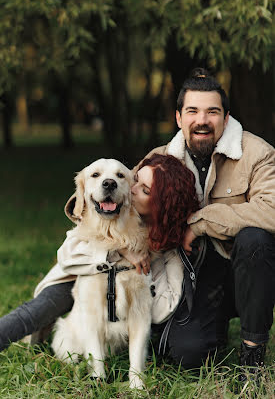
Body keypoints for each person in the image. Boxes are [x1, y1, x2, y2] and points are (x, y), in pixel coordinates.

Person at [0, 154, 202, 368]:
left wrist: (142, 283)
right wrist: (121, 250)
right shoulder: (99, 215)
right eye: (136, 181)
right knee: (39, 310)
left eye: (144, 190)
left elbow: (162, 307)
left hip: (123, 304)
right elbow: (67, 256)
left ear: (160, 203)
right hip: (77, 273)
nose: (133, 189)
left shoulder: (161, 241)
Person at [136, 68, 275, 376]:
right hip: (194, 278)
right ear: (178, 118)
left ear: (226, 119)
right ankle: (213, 327)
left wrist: (199, 222)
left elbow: (271, 211)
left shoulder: (257, 153)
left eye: (212, 111)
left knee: (256, 239)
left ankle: (253, 361)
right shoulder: (159, 160)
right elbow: (124, 206)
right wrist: (132, 246)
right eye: (192, 111)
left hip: (247, 274)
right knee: (189, 355)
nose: (202, 120)